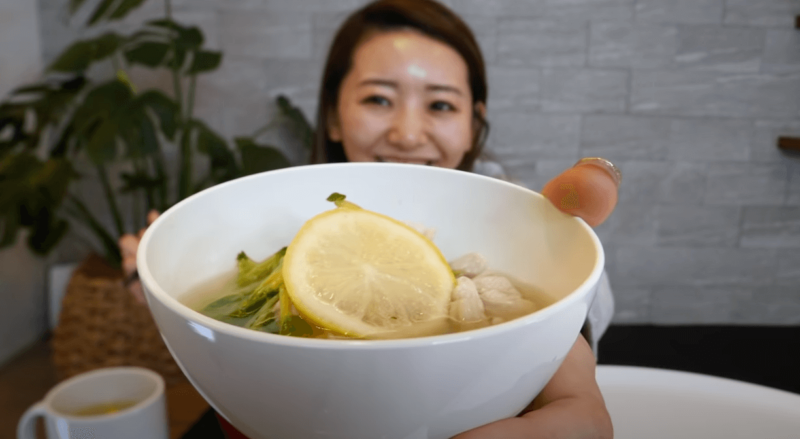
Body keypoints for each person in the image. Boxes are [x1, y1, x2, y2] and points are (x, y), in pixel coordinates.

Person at [309, 0, 617, 438]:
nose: (408, 134)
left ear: (474, 122)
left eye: (440, 106)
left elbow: (579, 312)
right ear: (331, 117)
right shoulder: (294, 221)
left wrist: (559, 282)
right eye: (378, 99)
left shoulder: (516, 220)